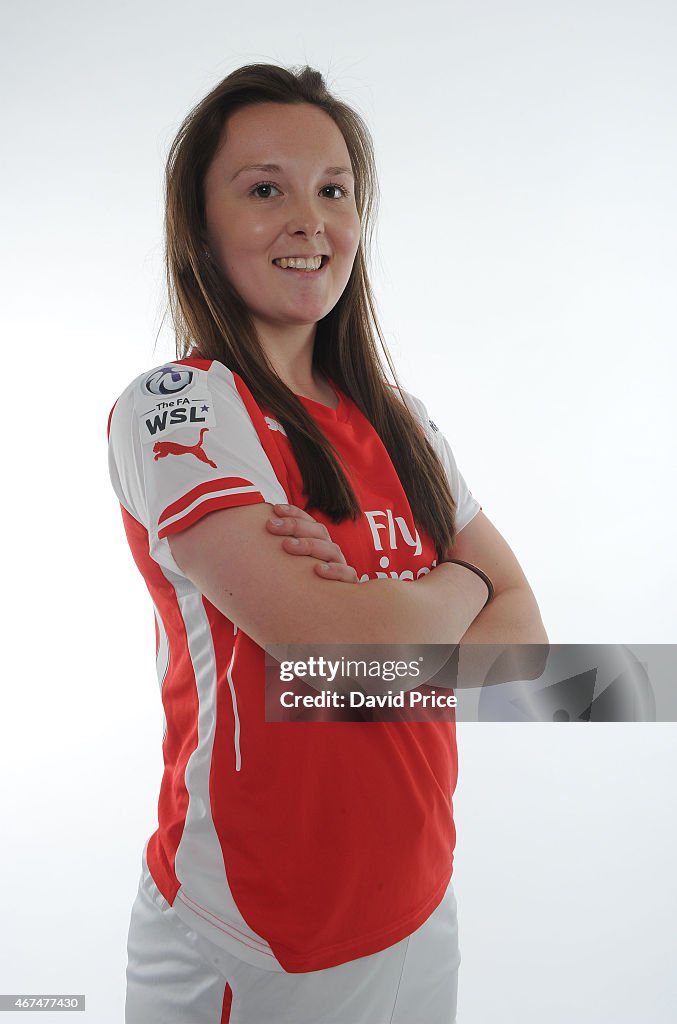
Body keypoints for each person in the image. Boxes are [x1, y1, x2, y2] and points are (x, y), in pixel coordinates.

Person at [107, 62, 548, 1024]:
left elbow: (522, 663)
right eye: (265, 189)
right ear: (202, 224)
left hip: (419, 905)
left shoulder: (403, 424)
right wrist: (458, 583)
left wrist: (367, 629)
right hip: (255, 937)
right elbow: (333, 648)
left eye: (333, 190)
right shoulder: (179, 409)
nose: (310, 220)